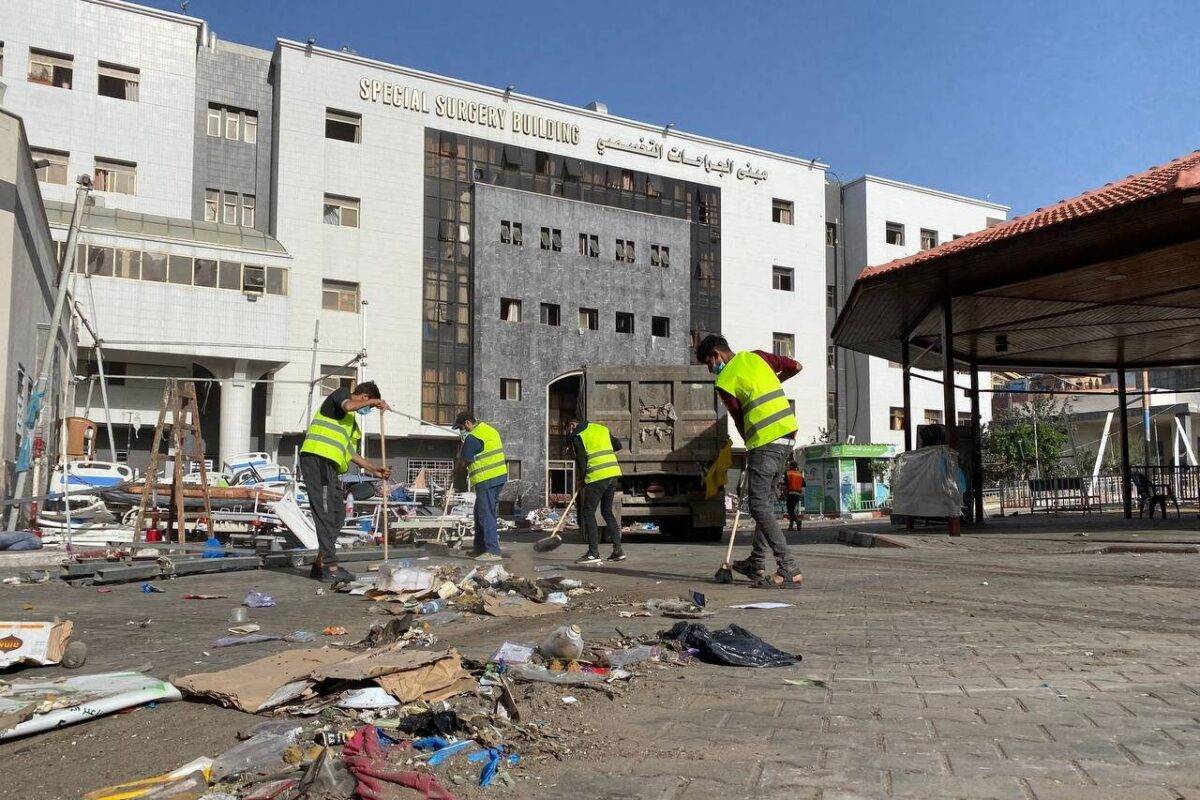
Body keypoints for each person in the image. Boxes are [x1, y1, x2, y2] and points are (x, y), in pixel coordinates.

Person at [696, 334, 803, 589]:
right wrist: (774, 383)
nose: (711, 370)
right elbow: (796, 366)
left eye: (709, 364)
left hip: (765, 440)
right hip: (787, 434)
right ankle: (756, 562)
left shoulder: (725, 379)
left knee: (757, 504)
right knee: (763, 502)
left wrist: (751, 447)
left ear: (716, 355)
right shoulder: (757, 357)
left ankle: (788, 568)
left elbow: (739, 418)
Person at [299, 380, 391, 583]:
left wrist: (374, 470)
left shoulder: (349, 424)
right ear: (364, 397)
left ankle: (320, 563)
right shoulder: (341, 395)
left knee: (338, 514)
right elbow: (349, 405)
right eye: (367, 405)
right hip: (317, 459)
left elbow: (349, 452)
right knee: (324, 513)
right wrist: (377, 401)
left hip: (329, 468)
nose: (365, 409)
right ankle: (331, 567)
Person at [566, 413, 625, 565]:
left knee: (588, 512)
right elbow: (618, 445)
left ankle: (593, 553)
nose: (569, 432)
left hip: (597, 475)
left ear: (572, 425)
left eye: (568, 428)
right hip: (613, 473)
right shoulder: (601, 429)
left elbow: (581, 462)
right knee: (607, 511)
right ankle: (618, 551)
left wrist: (582, 480)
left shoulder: (578, 434)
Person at [453, 411, 508, 561]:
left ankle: (493, 551)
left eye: (461, 428)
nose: (461, 431)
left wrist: (457, 474)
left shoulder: (473, 437)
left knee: (486, 514)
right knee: (479, 513)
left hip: (486, 478)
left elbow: (465, 460)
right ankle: (480, 548)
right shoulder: (488, 430)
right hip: (498, 476)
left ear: (467, 423)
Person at [784, 459, 805, 531]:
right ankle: (791, 526)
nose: (788, 466)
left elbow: (786, 485)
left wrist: (783, 493)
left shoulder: (788, 473)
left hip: (791, 493)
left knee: (790, 510)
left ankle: (797, 521)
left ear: (792, 466)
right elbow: (803, 484)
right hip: (798, 494)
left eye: (789, 465)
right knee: (792, 510)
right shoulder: (799, 474)